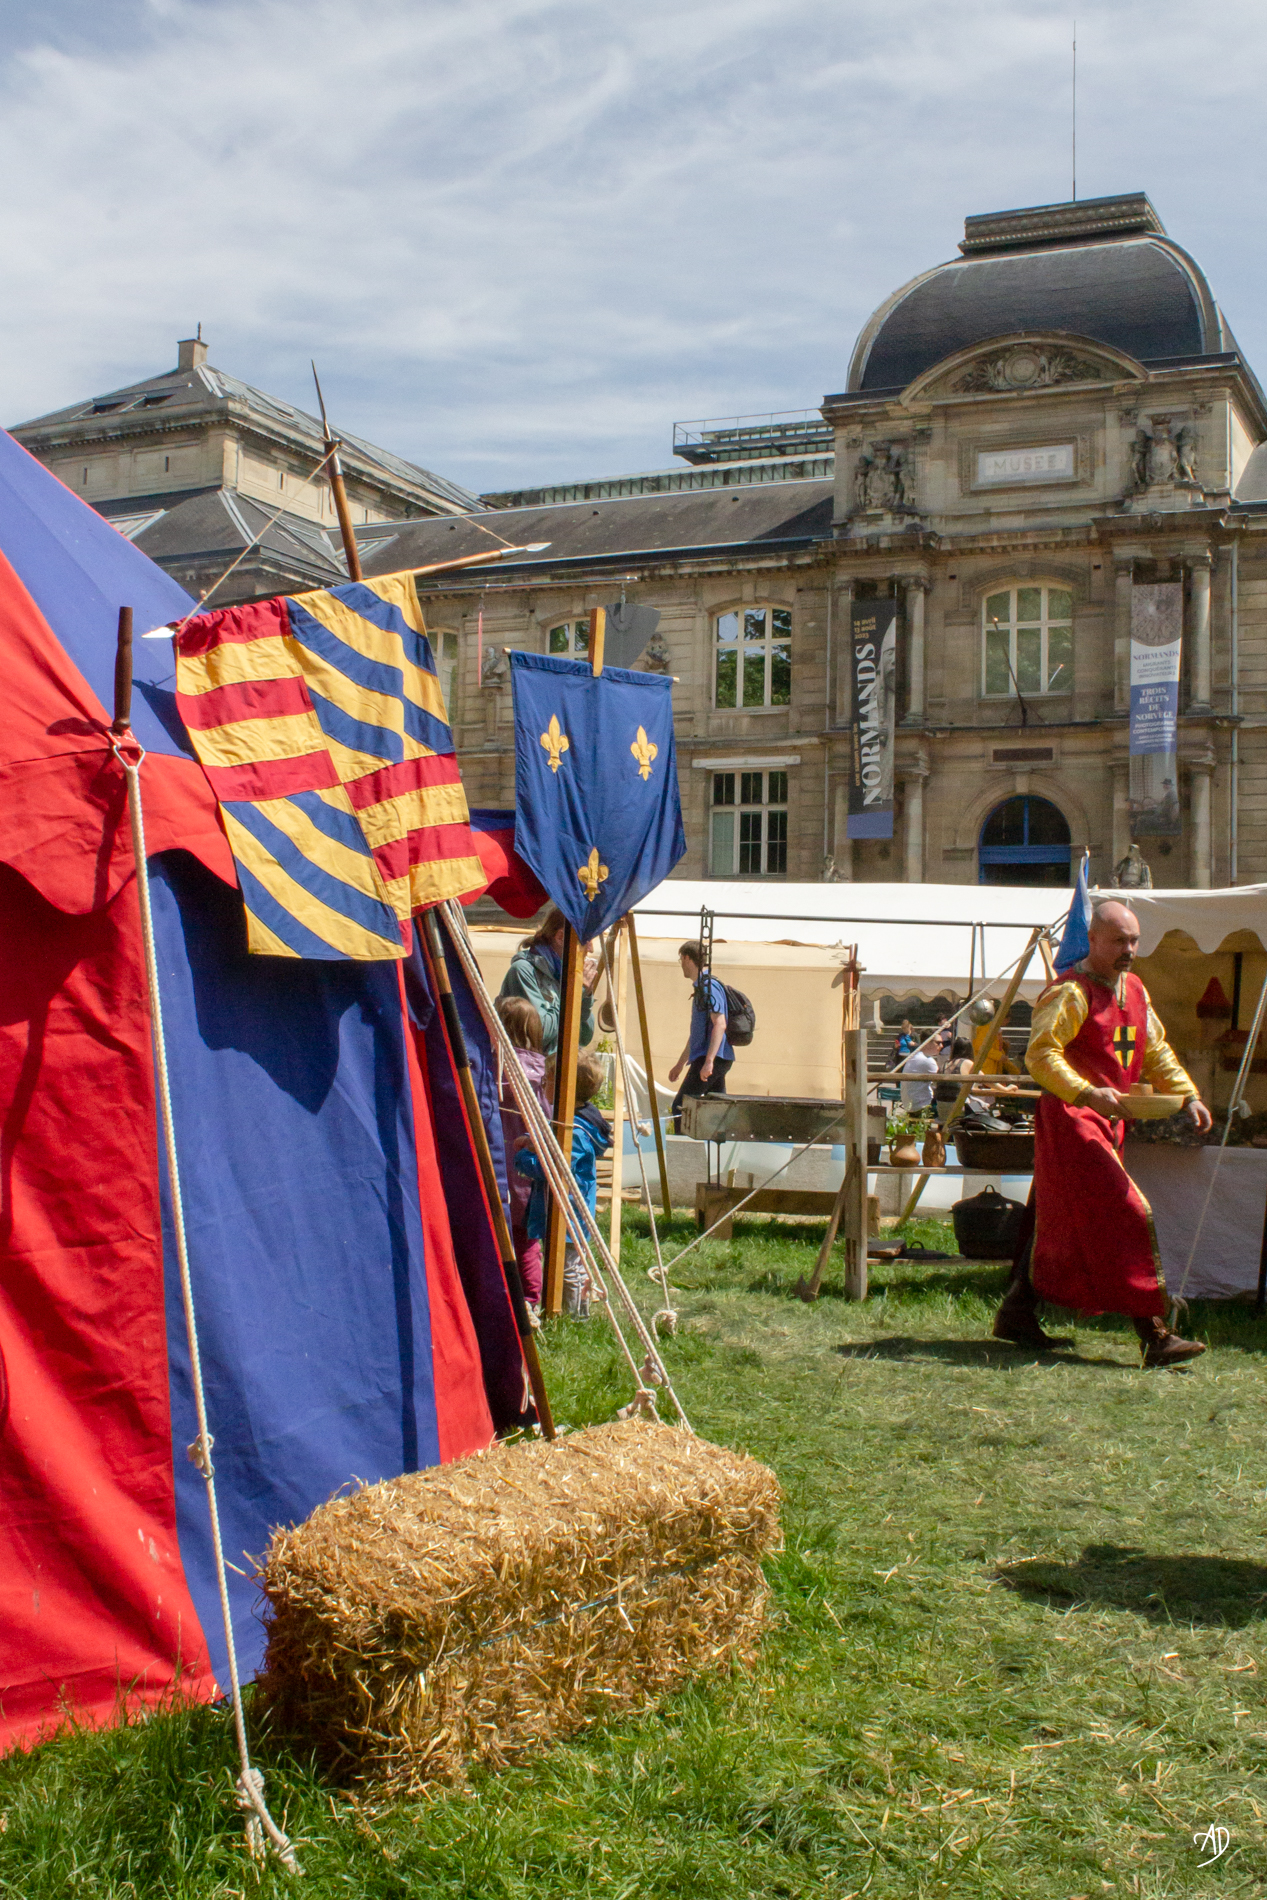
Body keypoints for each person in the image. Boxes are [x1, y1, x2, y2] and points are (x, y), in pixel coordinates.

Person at [994, 897, 1213, 1367]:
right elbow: (1041, 1055)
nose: (1128, 949)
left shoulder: (1135, 990)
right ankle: (1154, 1334)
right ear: (1092, 940)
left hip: (1109, 1123)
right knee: (1126, 1211)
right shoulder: (1070, 992)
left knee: (1059, 1220)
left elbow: (1155, 1050)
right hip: (1072, 1123)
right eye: (1119, 940)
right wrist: (1086, 1092)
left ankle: (1017, 1310)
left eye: (1133, 940)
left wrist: (1187, 1094)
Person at [514, 1052, 612, 1318]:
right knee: (566, 1265)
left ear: (563, 1087)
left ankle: (572, 1317)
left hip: (569, 1212)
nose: (543, 1083)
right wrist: (529, 1138)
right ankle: (566, 1311)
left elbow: (553, 1168)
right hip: (559, 1208)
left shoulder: (576, 1132)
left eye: (548, 1079)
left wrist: (523, 1158)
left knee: (568, 1268)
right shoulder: (568, 1121)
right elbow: (548, 1138)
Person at [495, 996, 550, 1307]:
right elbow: (546, 1118)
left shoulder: (491, 1068)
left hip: (496, 1162)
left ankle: (512, 1298)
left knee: (496, 1235)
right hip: (526, 1169)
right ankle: (529, 1301)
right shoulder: (540, 1073)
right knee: (527, 1240)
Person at [498, 907, 598, 1056]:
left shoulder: (565, 972)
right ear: (560, 937)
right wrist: (573, 993)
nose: (590, 949)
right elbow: (538, 1033)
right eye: (586, 940)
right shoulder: (523, 971)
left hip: (556, 1070)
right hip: (531, 1072)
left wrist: (583, 995)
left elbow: (583, 1037)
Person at [668, 941, 734, 1132]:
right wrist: (680, 1064)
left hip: (713, 1058)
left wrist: (709, 1061)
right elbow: (696, 1034)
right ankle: (715, 1150)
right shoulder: (701, 988)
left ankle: (683, 1153)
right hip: (714, 1058)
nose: (681, 964)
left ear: (687, 958)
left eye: (681, 959)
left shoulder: (708, 987)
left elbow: (720, 1024)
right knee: (717, 1110)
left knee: (681, 1107)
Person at [900, 1042, 938, 1113]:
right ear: (927, 1044)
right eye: (938, 1043)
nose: (941, 1046)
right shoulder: (928, 1060)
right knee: (948, 1108)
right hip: (921, 1106)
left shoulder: (913, 1057)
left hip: (909, 1105)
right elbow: (940, 1084)